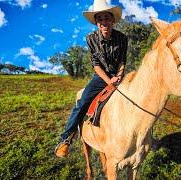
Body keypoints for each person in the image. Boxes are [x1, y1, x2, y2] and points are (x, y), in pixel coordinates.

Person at [55, 0, 128, 158]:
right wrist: (109, 81)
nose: (104, 22)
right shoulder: (91, 39)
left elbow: (122, 60)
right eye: (100, 19)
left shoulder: (123, 38)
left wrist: (119, 76)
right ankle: (66, 139)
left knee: (139, 97)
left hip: (119, 75)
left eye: (107, 18)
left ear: (113, 20)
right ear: (96, 22)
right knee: (82, 103)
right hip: (101, 77)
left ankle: (147, 136)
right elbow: (95, 64)